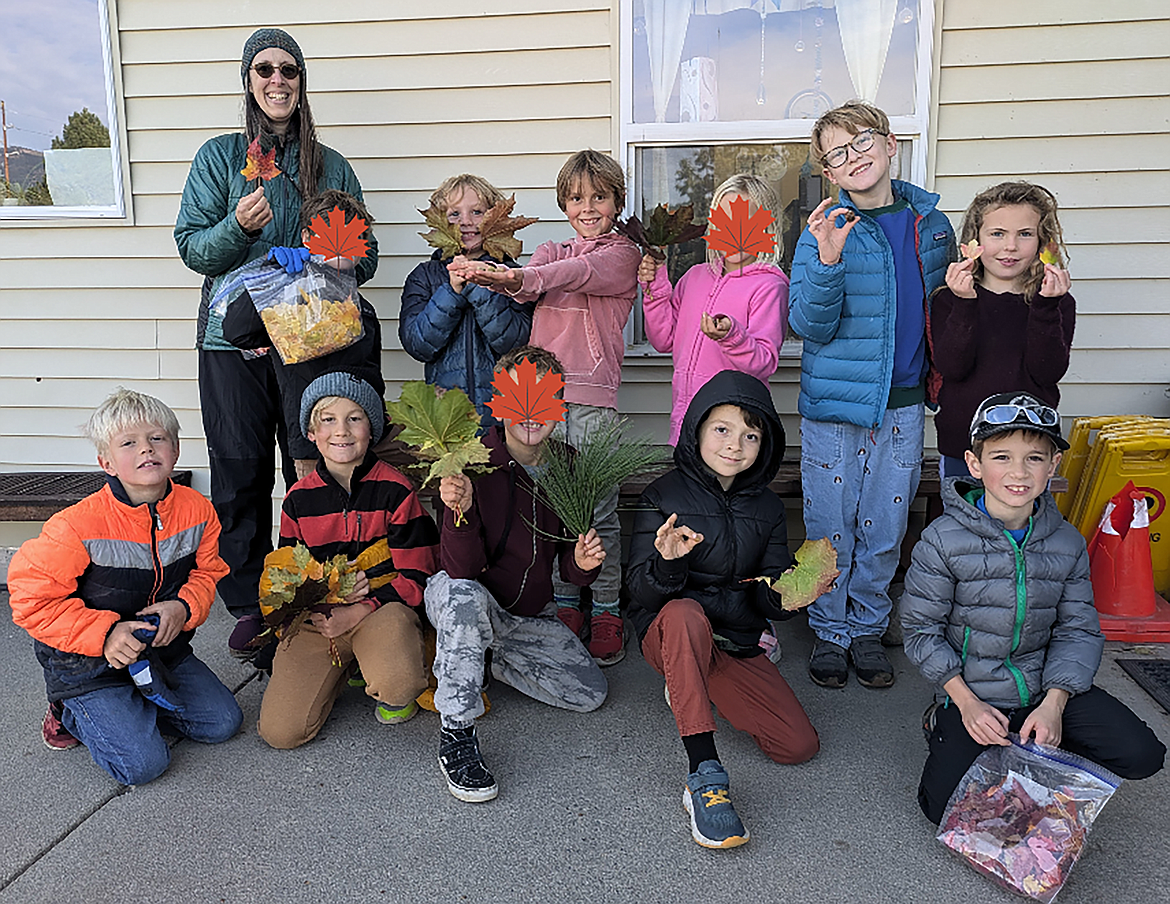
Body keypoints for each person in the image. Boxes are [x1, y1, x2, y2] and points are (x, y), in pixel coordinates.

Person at [174, 27, 378, 659]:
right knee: (239, 474)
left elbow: (362, 259)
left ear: (301, 80)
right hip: (230, 344)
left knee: (306, 468)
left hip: (310, 343)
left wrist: (327, 253)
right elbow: (191, 248)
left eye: (288, 69)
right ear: (248, 79)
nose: (276, 80)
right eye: (263, 69)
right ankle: (248, 602)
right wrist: (237, 227)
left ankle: (308, 590)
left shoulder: (330, 165)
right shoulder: (219, 158)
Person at [901, 393, 1166, 824]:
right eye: (1001, 456)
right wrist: (965, 703)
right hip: (975, 694)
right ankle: (944, 724)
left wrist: (1055, 704)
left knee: (1143, 756)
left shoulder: (1066, 542)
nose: (1019, 473)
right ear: (974, 464)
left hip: (1045, 688)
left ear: (1053, 466)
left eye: (1035, 458)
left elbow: (1078, 630)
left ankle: (1043, 739)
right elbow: (919, 632)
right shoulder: (941, 540)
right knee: (940, 808)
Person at [451, 150, 641, 665]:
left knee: (597, 511)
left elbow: (571, 274)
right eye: (577, 197)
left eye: (599, 196)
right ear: (563, 203)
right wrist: (500, 278)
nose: (588, 207)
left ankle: (604, 608)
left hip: (593, 404)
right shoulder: (550, 249)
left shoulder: (621, 254)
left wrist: (519, 279)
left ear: (616, 201)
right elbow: (527, 286)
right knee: (551, 507)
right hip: (540, 402)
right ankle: (564, 600)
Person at [788, 101, 954, 690]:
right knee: (829, 524)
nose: (853, 157)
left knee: (885, 524)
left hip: (904, 402)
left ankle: (866, 626)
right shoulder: (825, 230)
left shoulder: (931, 224)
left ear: (888, 144)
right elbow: (808, 322)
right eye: (837, 154)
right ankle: (830, 630)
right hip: (835, 407)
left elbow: (945, 311)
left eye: (861, 142)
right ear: (828, 173)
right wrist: (828, 260)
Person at [8, 389, 242, 784]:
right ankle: (68, 710)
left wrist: (183, 607)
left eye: (157, 438)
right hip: (86, 663)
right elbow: (31, 601)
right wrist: (104, 634)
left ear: (175, 449)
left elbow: (208, 572)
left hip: (160, 651)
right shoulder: (76, 525)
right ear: (107, 462)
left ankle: (134, 702)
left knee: (222, 723)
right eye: (129, 443)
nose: (146, 450)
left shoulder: (197, 509)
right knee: (143, 766)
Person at [626, 370, 819, 849]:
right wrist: (668, 565)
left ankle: (690, 680)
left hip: (732, 640)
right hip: (669, 629)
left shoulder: (770, 509)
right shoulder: (663, 495)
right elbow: (639, 595)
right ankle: (704, 776)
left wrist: (790, 594)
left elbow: (765, 593)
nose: (735, 445)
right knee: (685, 614)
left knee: (797, 746)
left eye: (750, 435)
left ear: (765, 443)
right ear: (697, 428)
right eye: (722, 429)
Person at [425, 346, 608, 803]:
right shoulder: (472, 460)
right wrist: (460, 511)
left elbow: (568, 562)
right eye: (517, 397)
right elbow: (461, 571)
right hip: (463, 594)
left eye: (543, 398)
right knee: (464, 598)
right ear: (498, 401)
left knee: (589, 692)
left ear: (559, 405)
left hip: (524, 612)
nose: (530, 413)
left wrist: (582, 566)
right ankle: (457, 731)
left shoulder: (568, 465)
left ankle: (478, 660)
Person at [257, 372, 439, 749]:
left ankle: (394, 656)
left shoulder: (396, 490)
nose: (342, 430)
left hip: (381, 608)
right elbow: (287, 574)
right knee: (281, 733)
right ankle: (344, 665)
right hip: (321, 616)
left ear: (371, 429)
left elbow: (418, 573)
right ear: (311, 433)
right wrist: (322, 600)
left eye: (354, 418)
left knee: (398, 684)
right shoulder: (298, 500)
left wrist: (362, 608)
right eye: (328, 419)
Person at [219, 188, 388, 481]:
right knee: (310, 515)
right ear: (308, 239)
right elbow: (237, 331)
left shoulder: (365, 314)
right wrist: (273, 273)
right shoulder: (289, 302)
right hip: (306, 444)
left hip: (357, 445)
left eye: (355, 238)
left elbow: (373, 381)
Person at [931, 182, 1075, 479]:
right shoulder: (949, 298)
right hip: (966, 448)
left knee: (1022, 525)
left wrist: (1046, 307)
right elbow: (952, 367)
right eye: (997, 233)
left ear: (1042, 242)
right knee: (963, 525)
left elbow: (1047, 371)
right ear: (975, 240)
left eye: (1024, 234)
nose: (1010, 246)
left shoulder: (1055, 301)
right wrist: (965, 304)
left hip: (1030, 450)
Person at [637, 173, 789, 446]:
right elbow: (663, 340)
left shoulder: (769, 286)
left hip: (732, 435)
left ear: (767, 228)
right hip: (685, 423)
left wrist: (732, 337)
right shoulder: (694, 277)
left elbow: (764, 362)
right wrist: (655, 286)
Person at [399, 174, 533, 421]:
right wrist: (451, 291)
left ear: (496, 218)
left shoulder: (512, 276)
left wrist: (477, 284)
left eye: (478, 212)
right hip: (447, 413)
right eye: (454, 214)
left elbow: (517, 343)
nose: (466, 222)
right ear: (439, 221)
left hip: (505, 413)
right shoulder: (424, 277)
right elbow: (418, 344)